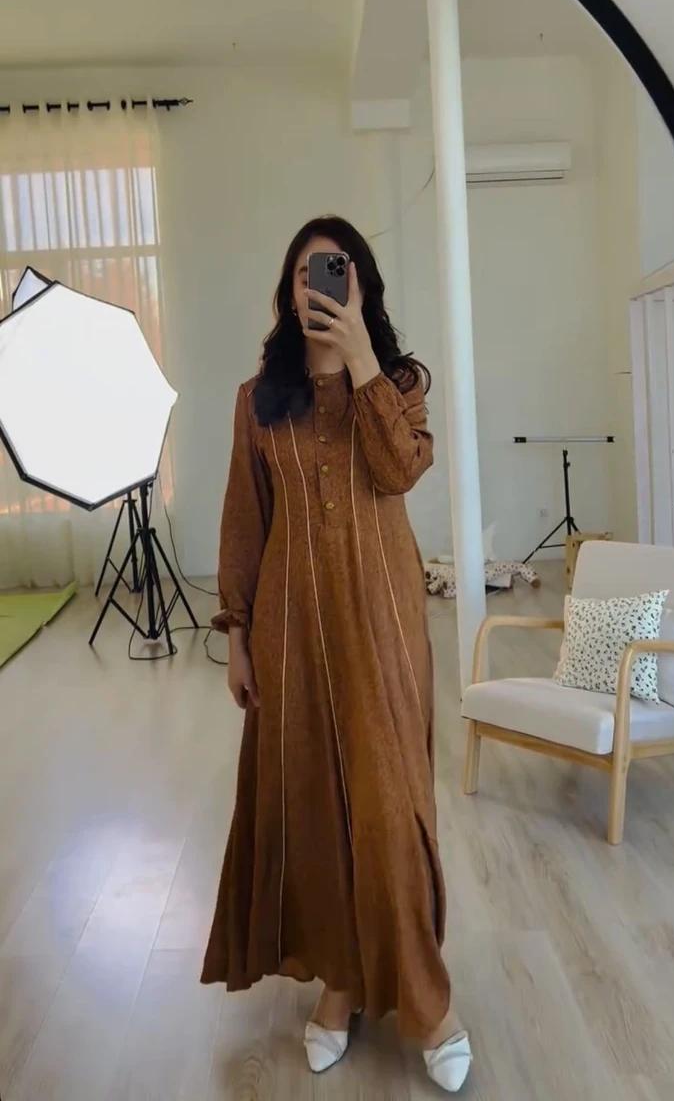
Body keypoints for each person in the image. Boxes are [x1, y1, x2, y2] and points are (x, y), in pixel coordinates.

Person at [200, 215, 471, 1092]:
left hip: (382, 623)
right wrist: (238, 638)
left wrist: (359, 359)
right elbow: (245, 521)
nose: (317, 284)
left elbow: (399, 470)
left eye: (336, 271)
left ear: (360, 286)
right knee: (314, 812)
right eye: (304, 273)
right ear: (288, 292)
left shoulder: (396, 383)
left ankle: (426, 1001)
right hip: (289, 633)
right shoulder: (257, 400)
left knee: (390, 811)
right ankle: (341, 983)